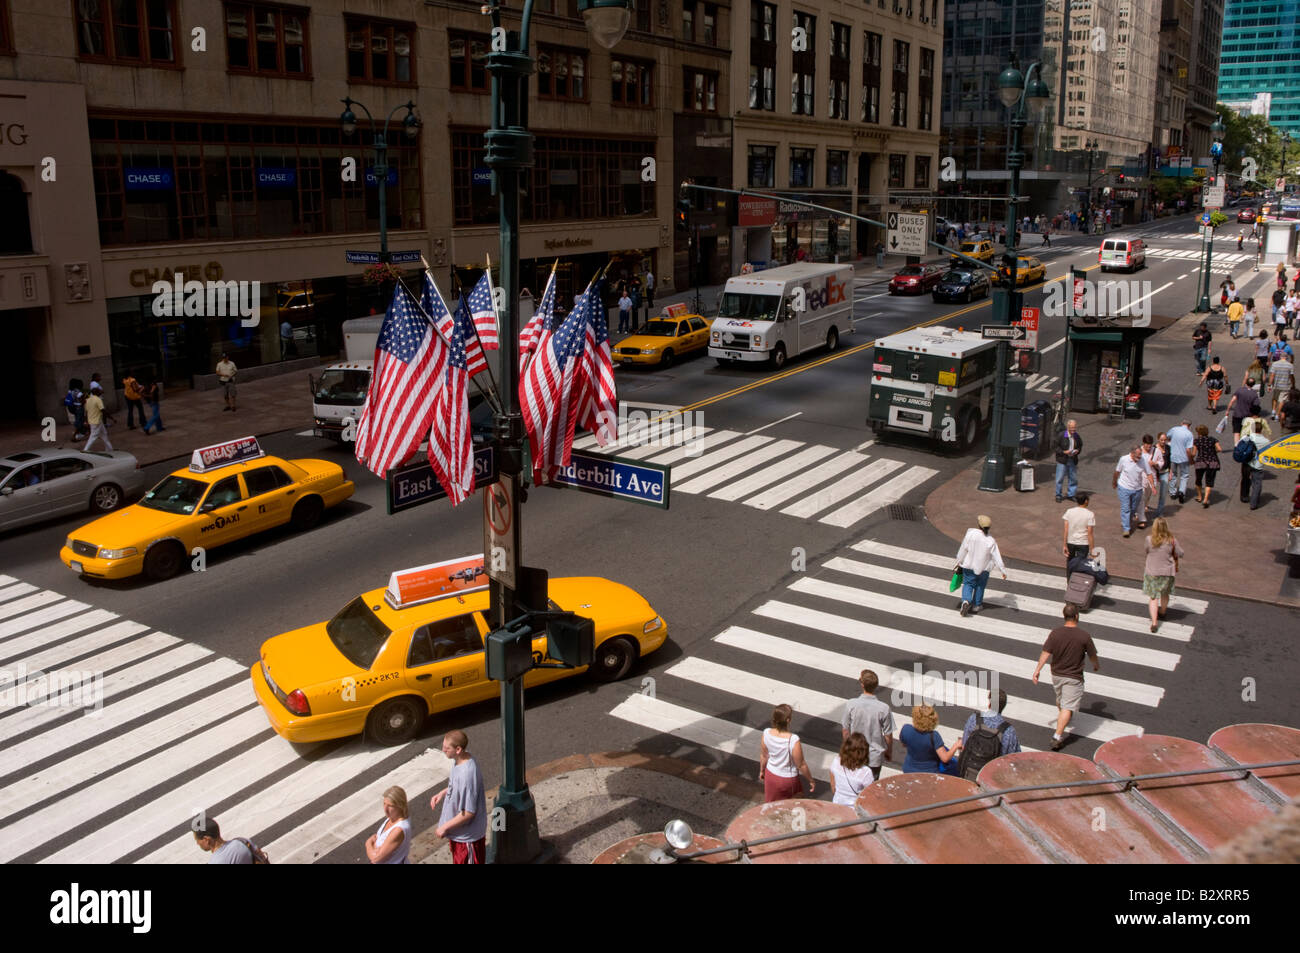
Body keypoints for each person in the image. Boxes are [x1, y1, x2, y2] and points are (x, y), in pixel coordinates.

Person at [1031, 603, 1100, 751]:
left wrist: (1037, 670)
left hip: (1056, 674)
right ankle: (1057, 736)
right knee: (1067, 706)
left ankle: (1064, 716)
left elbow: (1046, 652)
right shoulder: (1084, 636)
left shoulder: (1055, 633)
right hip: (1074, 676)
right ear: (1077, 616)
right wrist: (1095, 665)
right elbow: (1093, 655)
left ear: (1064, 616)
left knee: (1062, 702)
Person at [430, 729, 487, 864]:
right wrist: (443, 793)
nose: (443, 750)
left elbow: (468, 813)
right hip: (460, 834)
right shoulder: (462, 760)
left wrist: (444, 827)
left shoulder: (467, 774)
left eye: (446, 748)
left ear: (458, 749)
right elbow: (457, 785)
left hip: (467, 838)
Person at [840, 669, 895, 781]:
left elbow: (845, 730)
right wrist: (888, 751)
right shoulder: (884, 708)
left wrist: (847, 748)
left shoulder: (851, 704)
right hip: (874, 758)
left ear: (862, 685)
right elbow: (888, 734)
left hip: (855, 753)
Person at [954, 514, 1007, 616]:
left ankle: (966, 601)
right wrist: (1003, 571)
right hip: (984, 569)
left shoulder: (971, 534)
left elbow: (963, 549)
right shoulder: (991, 540)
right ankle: (976, 606)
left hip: (969, 566)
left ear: (979, 525)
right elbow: (997, 557)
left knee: (968, 584)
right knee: (980, 586)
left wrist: (959, 561)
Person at [759, 703, 814, 801]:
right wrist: (810, 780)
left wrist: (762, 770)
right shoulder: (793, 740)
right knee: (791, 805)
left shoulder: (766, 733)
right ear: (788, 720)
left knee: (771, 806)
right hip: (787, 779)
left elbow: (764, 756)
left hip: (771, 775)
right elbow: (801, 764)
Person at [1143, 518, 1185, 633]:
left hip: (1152, 571)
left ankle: (1154, 622)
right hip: (1167, 572)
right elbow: (1181, 553)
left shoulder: (1149, 539)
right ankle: (1163, 611)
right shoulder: (1172, 540)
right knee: (1165, 594)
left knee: (1153, 597)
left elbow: (1146, 550)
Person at [900, 704, 961, 774]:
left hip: (908, 770)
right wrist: (956, 745)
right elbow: (945, 758)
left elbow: (904, 744)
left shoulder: (906, 729)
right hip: (929, 773)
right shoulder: (934, 736)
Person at [960, 689, 1022, 758]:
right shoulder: (1009, 731)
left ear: (989, 703)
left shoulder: (974, 719)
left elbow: (964, 744)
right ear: (1003, 706)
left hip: (970, 766)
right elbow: (1015, 758)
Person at [1112, 444, 1154, 538]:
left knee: (1133, 509)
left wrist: (1153, 486)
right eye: (1137, 455)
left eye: (1140, 455)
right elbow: (1117, 472)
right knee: (1125, 508)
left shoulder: (1143, 460)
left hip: (1137, 489)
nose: (1139, 458)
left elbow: (1149, 473)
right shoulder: (1124, 459)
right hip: (1124, 487)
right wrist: (1114, 482)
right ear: (1132, 453)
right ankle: (1126, 529)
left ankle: (1127, 521)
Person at [364, 786, 411, 864]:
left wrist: (368, 843)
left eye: (390, 805)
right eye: (384, 804)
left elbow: (375, 858)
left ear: (400, 806)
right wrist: (375, 849)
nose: (385, 809)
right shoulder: (392, 817)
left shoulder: (399, 830)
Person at [829, 732, 875, 806]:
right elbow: (870, 795)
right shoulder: (866, 772)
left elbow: (833, 785)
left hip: (837, 805)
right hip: (854, 810)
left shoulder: (837, 761)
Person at [1238, 411, 1271, 509]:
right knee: (1257, 484)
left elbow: (1240, 446)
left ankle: (1244, 496)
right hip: (1258, 464)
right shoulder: (1266, 441)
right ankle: (1253, 503)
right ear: (1261, 430)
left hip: (1246, 462)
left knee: (1245, 479)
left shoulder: (1247, 437)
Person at [192, 815, 256, 864]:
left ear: (206, 839)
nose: (197, 843)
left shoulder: (216, 862)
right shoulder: (243, 842)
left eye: (197, 840)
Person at [1061, 492, 1097, 572]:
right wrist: (1092, 550)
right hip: (1083, 544)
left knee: (1070, 563)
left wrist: (1064, 545)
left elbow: (1066, 530)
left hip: (1070, 542)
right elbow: (1090, 533)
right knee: (1081, 564)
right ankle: (1078, 582)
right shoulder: (1090, 514)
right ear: (1086, 501)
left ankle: (1069, 581)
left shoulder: (1069, 511)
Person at [1192, 423, 1222, 507]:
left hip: (1201, 462)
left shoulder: (1197, 441)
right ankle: (1205, 499)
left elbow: (1194, 453)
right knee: (1209, 481)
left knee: (1198, 479)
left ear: (1199, 433)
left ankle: (1199, 496)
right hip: (1212, 462)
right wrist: (1214, 452)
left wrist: (1190, 457)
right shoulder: (1213, 439)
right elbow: (1219, 449)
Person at [1165, 418, 1195, 504]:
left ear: (1182, 423)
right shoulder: (1189, 434)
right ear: (1189, 426)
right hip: (1184, 458)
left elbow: (1167, 437)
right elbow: (1188, 450)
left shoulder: (1174, 429)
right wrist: (1191, 460)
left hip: (1173, 456)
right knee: (1184, 476)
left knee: (1173, 474)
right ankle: (1182, 492)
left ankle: (1173, 493)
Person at [1054, 418, 1082, 502]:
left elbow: (1080, 445)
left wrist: (1077, 451)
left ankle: (1071, 494)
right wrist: (1063, 452)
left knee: (1073, 478)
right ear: (1068, 427)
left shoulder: (1076, 436)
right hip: (1062, 459)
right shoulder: (1061, 435)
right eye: (1072, 428)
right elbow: (1055, 447)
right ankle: (1058, 495)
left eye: (1074, 428)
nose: (1073, 430)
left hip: (1072, 459)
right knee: (1059, 478)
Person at [1226, 379, 1261, 443]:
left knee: (1236, 431)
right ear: (1253, 385)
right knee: (1245, 431)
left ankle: (1236, 446)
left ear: (1246, 383)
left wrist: (1227, 410)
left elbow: (1232, 401)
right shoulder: (1254, 394)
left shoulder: (1240, 390)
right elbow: (1256, 406)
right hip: (1247, 415)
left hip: (1237, 414)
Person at [83, 382, 113, 451]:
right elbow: (103, 410)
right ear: (97, 393)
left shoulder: (88, 400)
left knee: (104, 434)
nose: (101, 392)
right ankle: (85, 450)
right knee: (93, 437)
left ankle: (110, 449)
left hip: (95, 421)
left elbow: (86, 412)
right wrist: (112, 418)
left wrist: (86, 421)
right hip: (96, 422)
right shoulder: (98, 400)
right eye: (99, 391)